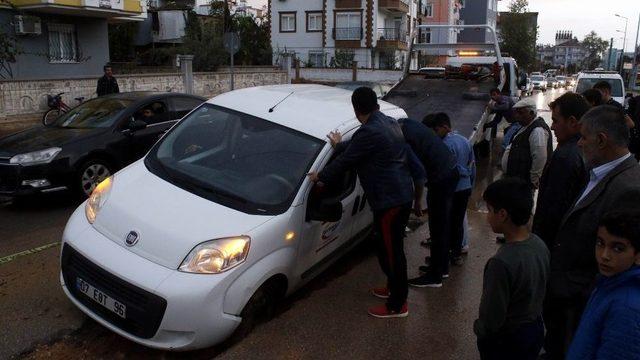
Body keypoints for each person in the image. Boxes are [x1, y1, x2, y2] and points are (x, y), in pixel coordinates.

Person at [308, 87, 425, 318]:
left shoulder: (370, 131)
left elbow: (347, 160)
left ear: (355, 108)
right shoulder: (387, 122)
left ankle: (397, 305)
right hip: (399, 196)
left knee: (392, 253)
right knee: (385, 247)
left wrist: (320, 177)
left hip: (390, 201)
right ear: (375, 104)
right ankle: (392, 288)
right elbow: (356, 144)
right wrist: (338, 144)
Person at [544, 105, 640, 359]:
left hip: (582, 301)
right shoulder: (598, 171)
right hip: (570, 298)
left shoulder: (629, 187)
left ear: (601, 140)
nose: (579, 144)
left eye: (584, 137)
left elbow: (622, 257)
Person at [474, 178, 550, 360]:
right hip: (534, 328)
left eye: (489, 210)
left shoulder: (501, 262)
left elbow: (492, 316)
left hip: (506, 339)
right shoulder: (539, 245)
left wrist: (481, 330)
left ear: (502, 214)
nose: (487, 215)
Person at [566, 210, 640, 359]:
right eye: (600, 243)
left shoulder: (627, 306)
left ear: (638, 256)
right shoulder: (608, 284)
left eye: (618, 248)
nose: (604, 255)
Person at [398, 117, 458, 288]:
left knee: (438, 227)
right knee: (443, 226)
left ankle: (434, 277)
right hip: (449, 172)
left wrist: (417, 202)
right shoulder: (408, 123)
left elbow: (418, 175)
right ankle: (441, 268)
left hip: (441, 179)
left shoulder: (404, 139)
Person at [533, 93, 590, 249]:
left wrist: (540, 244)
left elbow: (552, 209)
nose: (552, 126)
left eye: (555, 121)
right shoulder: (584, 149)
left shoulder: (566, 156)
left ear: (572, 122)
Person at [423, 112, 475, 266]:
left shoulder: (444, 145)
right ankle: (456, 255)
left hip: (450, 190)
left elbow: (443, 171)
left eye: (434, 131)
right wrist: (470, 183)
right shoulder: (464, 140)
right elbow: (472, 165)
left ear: (443, 127)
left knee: (444, 224)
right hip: (464, 188)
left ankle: (442, 258)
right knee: (457, 223)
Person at [501, 97, 553, 189]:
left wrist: (533, 180)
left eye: (520, 113)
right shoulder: (526, 126)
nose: (517, 116)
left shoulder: (537, 130)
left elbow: (540, 157)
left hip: (523, 183)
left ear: (531, 113)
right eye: (516, 113)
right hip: (516, 179)